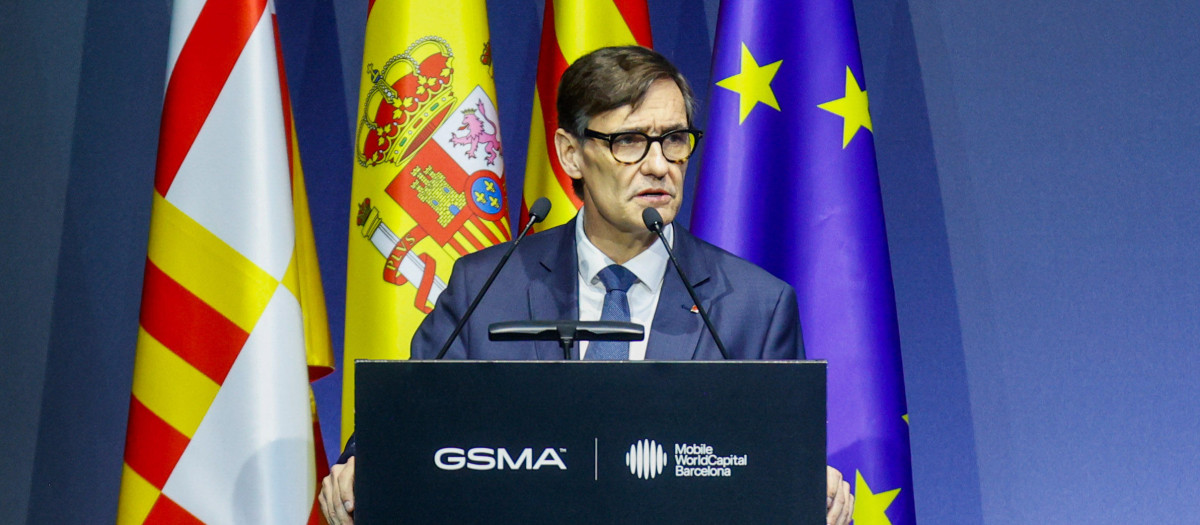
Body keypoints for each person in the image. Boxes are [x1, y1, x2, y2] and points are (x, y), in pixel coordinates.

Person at [320, 45, 853, 525]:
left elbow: (780, 462)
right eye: (629, 141)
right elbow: (401, 430)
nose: (659, 165)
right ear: (570, 153)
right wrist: (359, 468)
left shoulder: (754, 306)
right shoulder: (485, 287)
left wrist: (811, 489)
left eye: (674, 139)